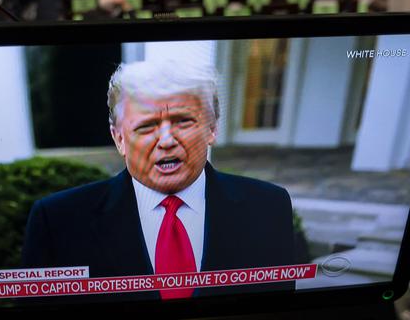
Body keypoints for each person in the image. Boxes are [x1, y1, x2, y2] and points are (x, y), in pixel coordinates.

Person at [21, 60, 295, 300]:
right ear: (119, 139)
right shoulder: (57, 221)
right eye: (146, 126)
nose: (166, 140)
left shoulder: (269, 206)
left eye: (183, 121)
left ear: (212, 128)